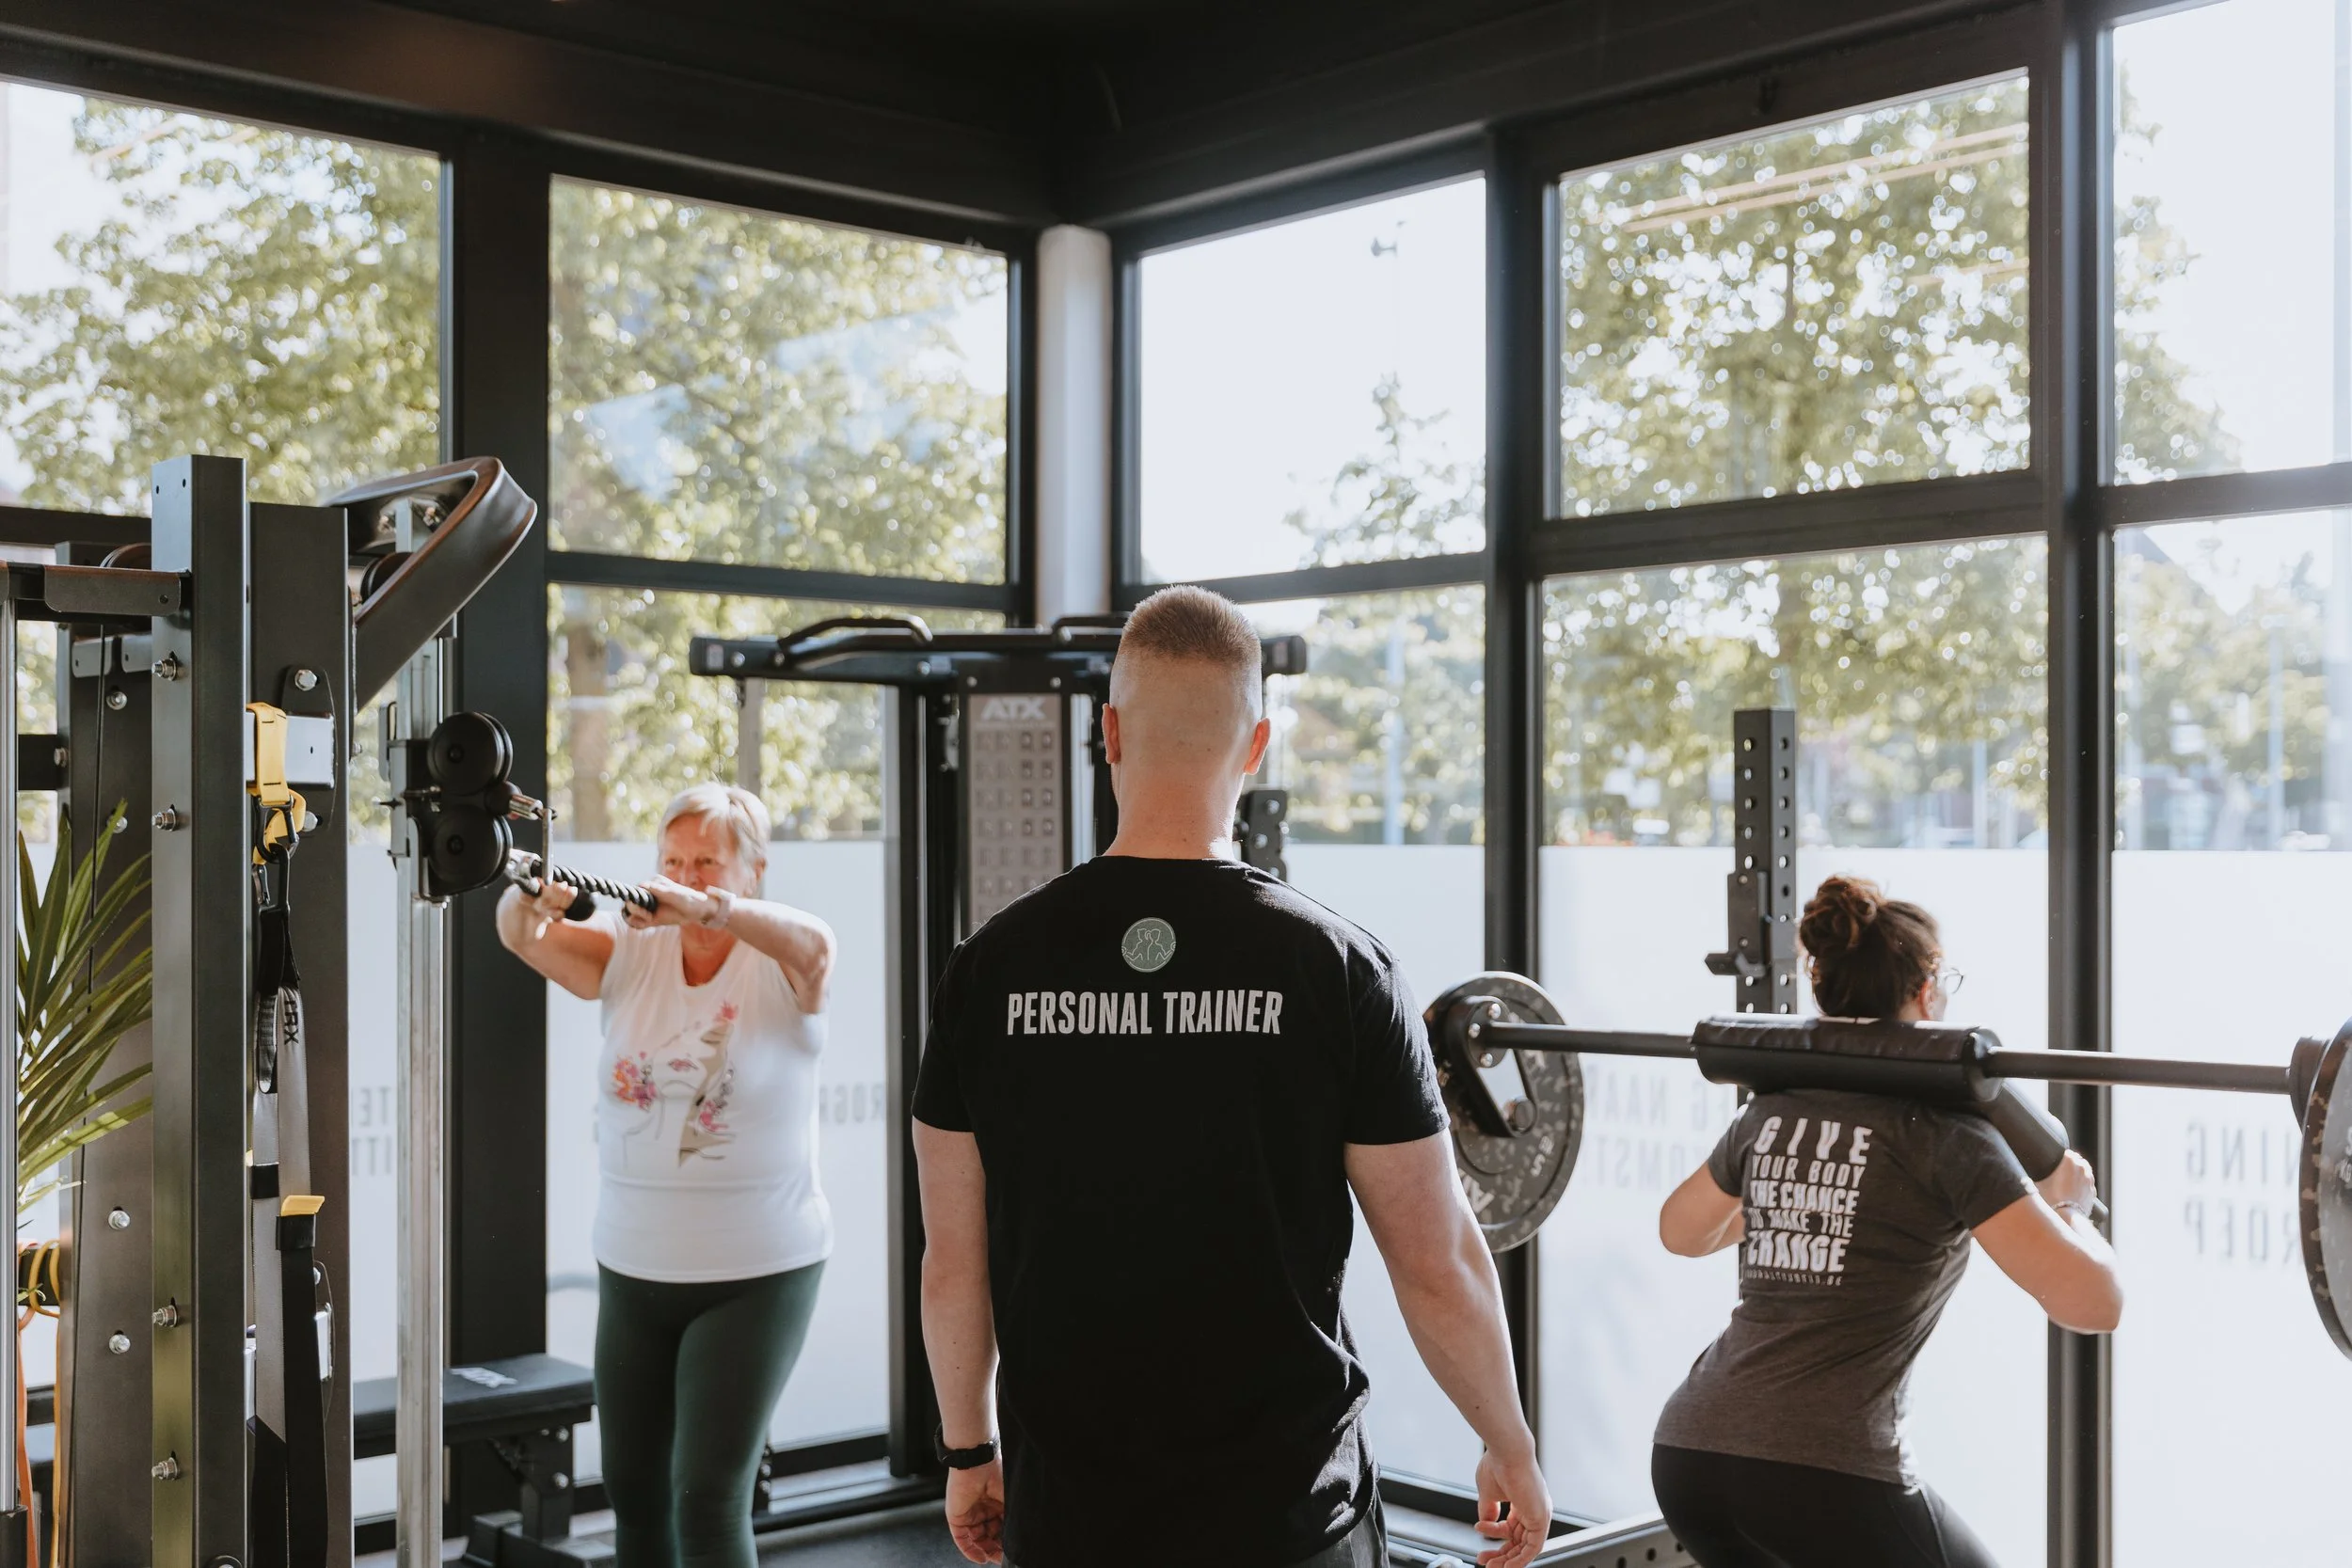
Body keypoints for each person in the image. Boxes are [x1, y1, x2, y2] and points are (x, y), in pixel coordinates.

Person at [910, 586, 1551, 1568]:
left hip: (1074, 1521)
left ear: (1108, 731)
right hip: (1286, 1523)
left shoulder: (986, 969)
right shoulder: (1339, 969)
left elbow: (954, 1262)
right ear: (1255, 748)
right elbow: (1436, 1260)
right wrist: (1509, 1441)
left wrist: (968, 1449)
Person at [1650, 874, 2122, 1568]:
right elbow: (2095, 1302)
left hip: (1691, 1456)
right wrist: (2072, 1205)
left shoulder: (1771, 1113)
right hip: (1825, 1469)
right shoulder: (1946, 1134)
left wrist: (1807, 1197)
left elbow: (1681, 1231)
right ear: (1927, 989)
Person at [495, 784, 836, 1568]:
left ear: (753, 870)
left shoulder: (781, 959)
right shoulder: (632, 947)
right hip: (635, 1265)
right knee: (636, 1493)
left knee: (706, 1496)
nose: (684, 875)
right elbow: (523, 935)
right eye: (672, 861)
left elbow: (817, 943)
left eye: (707, 863)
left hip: (756, 1269)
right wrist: (530, 900)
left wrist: (705, 909)